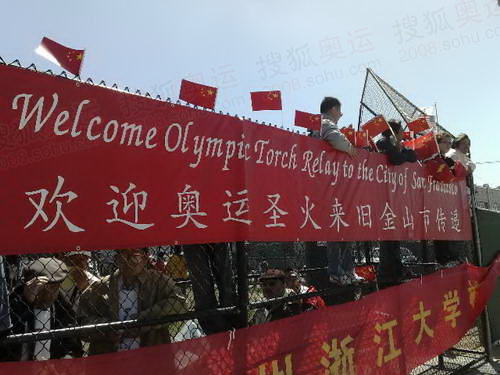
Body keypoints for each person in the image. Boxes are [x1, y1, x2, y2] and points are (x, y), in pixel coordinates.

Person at [79, 248, 186, 355]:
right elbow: (81, 322)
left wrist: (142, 321)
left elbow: (179, 302)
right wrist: (107, 329)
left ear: (145, 259)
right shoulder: (101, 287)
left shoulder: (158, 280)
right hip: (110, 359)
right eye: (124, 255)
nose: (130, 260)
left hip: (151, 357)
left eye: (136, 255)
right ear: (116, 259)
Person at [0, 257, 82, 361]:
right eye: (40, 288)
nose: (48, 295)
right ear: (27, 285)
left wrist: (61, 364)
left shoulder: (62, 308)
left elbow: (73, 347)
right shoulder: (10, 305)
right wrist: (26, 302)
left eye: (54, 288)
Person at [319, 97, 359, 286]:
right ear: (333, 109)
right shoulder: (324, 122)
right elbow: (335, 139)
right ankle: (336, 272)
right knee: (335, 232)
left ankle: (347, 270)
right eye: (340, 111)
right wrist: (350, 148)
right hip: (330, 186)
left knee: (346, 229)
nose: (341, 115)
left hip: (338, 186)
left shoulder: (326, 124)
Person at [376, 120, 417, 288]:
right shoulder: (382, 142)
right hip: (381, 193)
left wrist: (402, 150)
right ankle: (387, 271)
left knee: (395, 234)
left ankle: (397, 267)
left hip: (395, 194)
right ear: (393, 131)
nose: (402, 134)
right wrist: (399, 151)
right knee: (387, 236)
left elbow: (412, 156)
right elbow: (396, 159)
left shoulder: (397, 144)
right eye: (400, 131)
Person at [182, 243, 237, 335]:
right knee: (203, 283)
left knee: (224, 280)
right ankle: (217, 328)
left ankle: (231, 320)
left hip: (213, 233)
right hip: (191, 236)